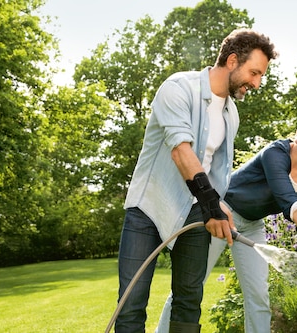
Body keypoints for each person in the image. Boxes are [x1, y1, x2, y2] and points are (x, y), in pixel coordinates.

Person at [115, 28, 278, 333]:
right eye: (254, 73)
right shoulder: (177, 88)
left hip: (193, 211)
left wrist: (218, 206)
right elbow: (181, 151)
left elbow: (217, 171)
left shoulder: (232, 114)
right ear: (232, 61)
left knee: (189, 301)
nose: (256, 83)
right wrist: (212, 204)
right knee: (131, 302)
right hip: (149, 206)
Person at [157, 98, 297, 333]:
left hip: (251, 225)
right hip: (221, 213)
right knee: (189, 288)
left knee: (258, 297)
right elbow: (290, 204)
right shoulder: (276, 153)